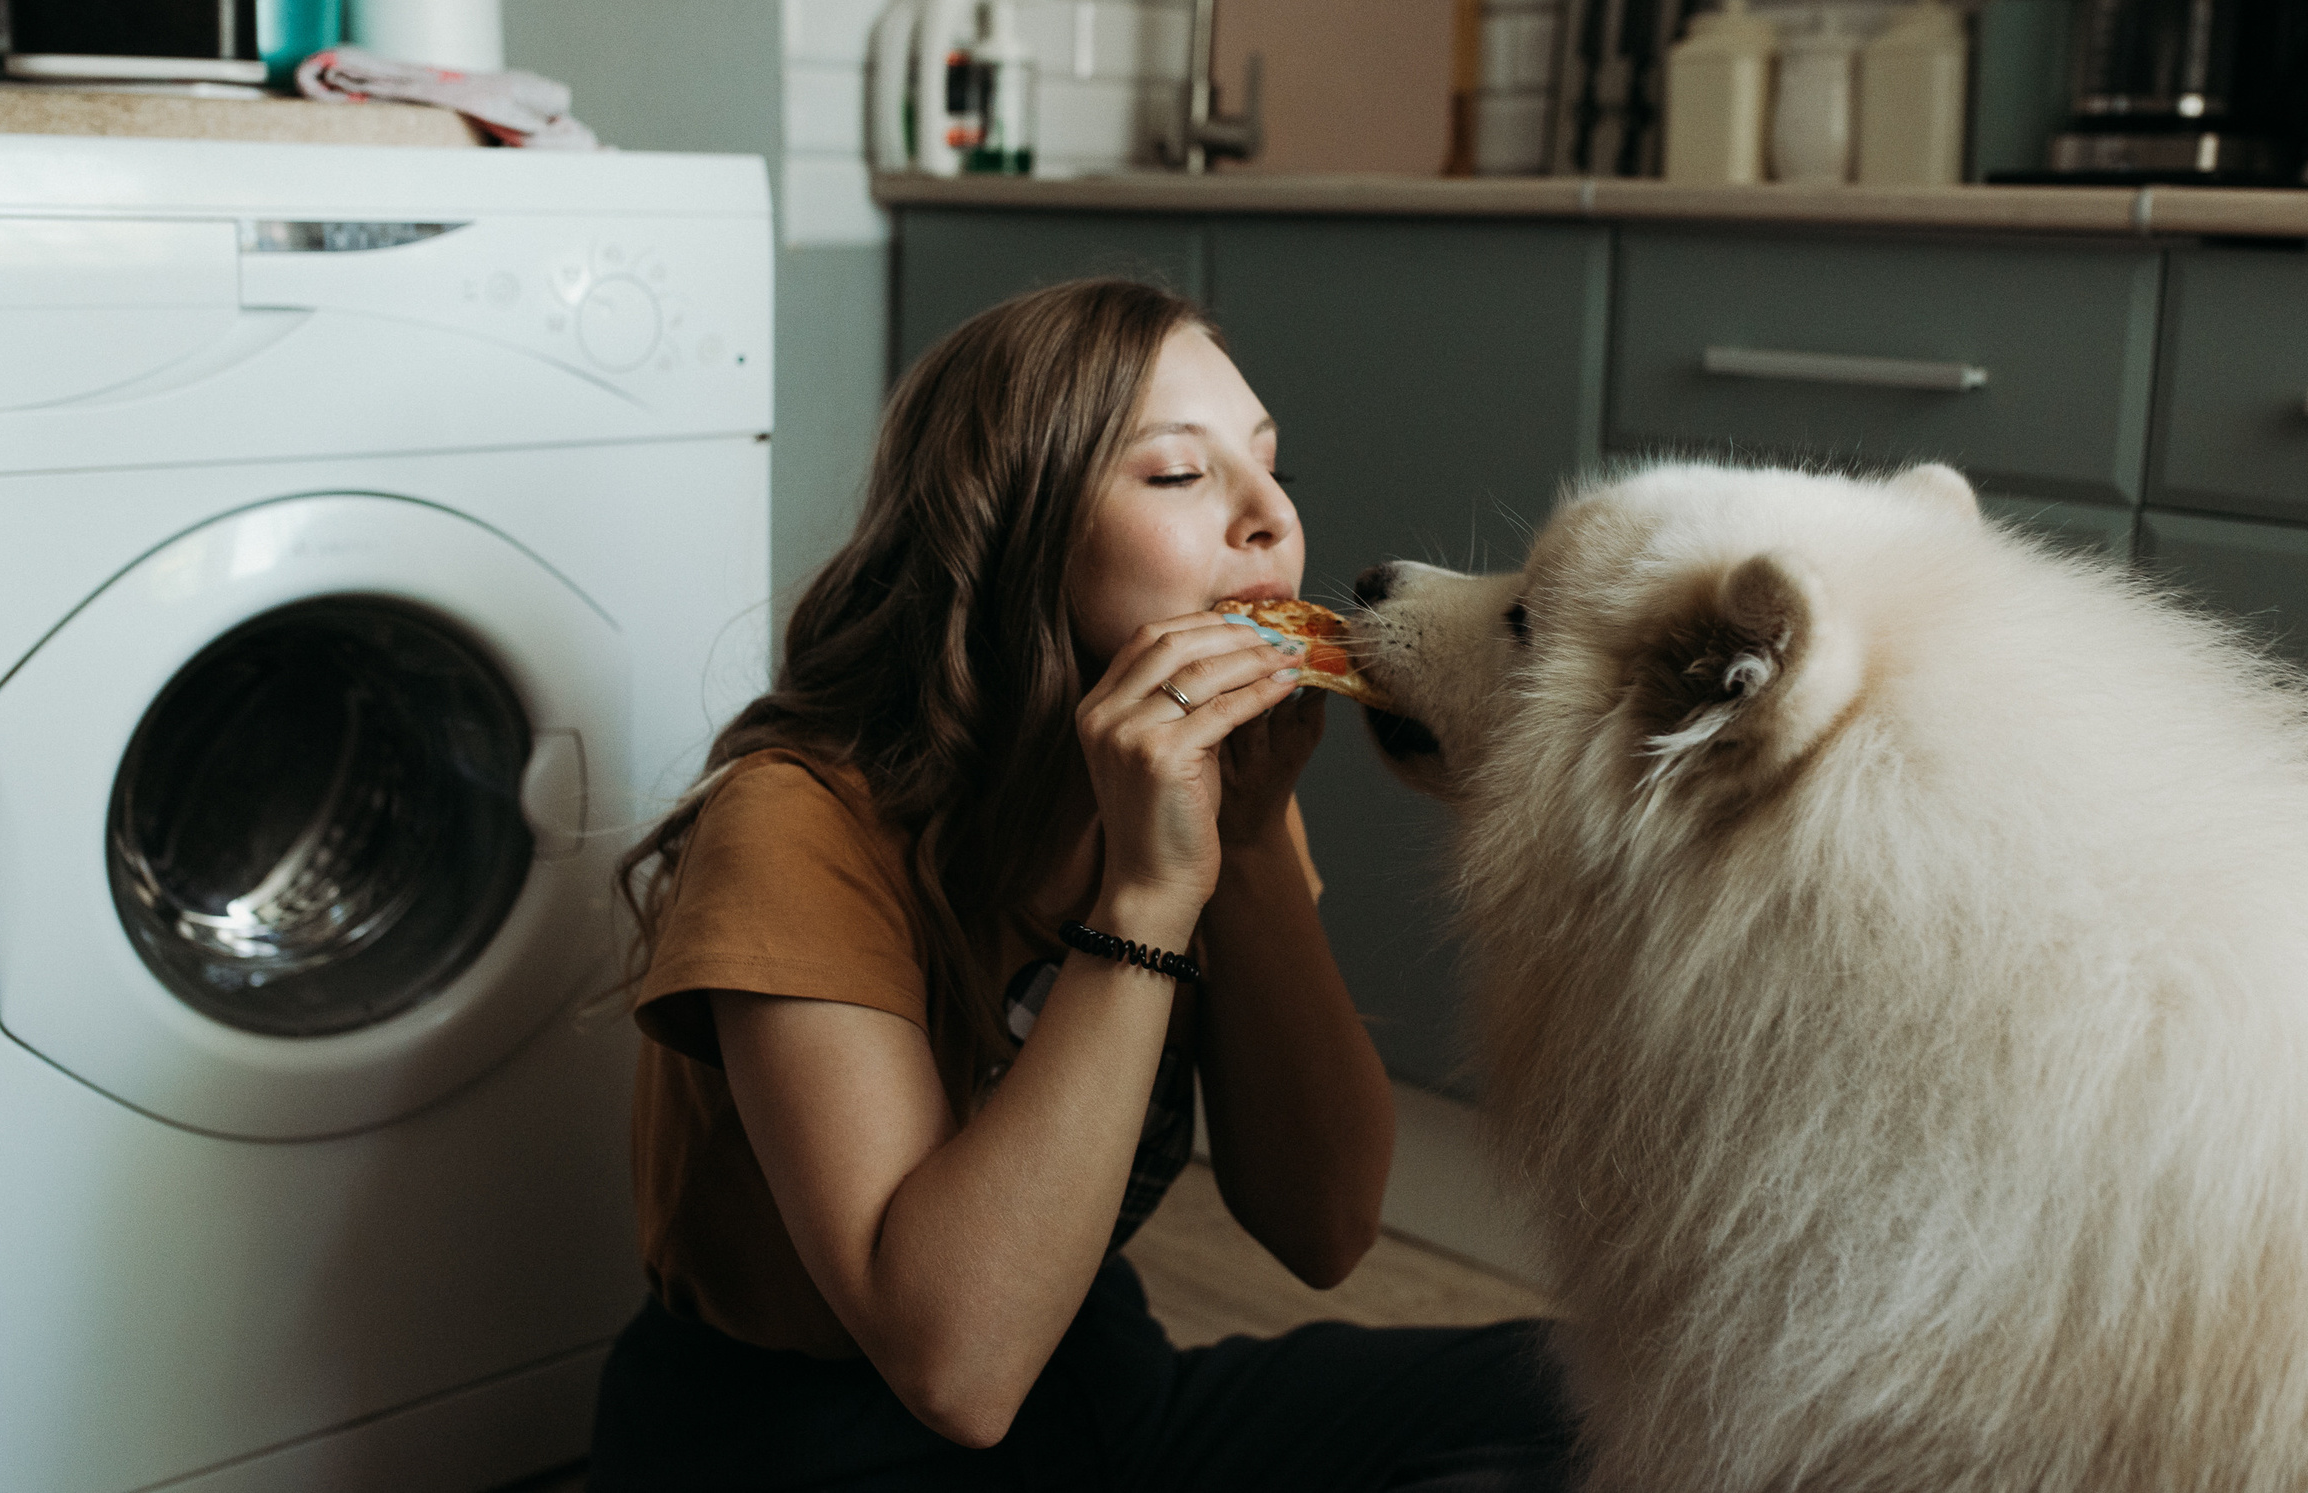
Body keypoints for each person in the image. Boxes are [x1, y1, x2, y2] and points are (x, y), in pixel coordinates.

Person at [589, 279, 1575, 1491]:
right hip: (801, 1445)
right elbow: (957, 1369)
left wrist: (1251, 840)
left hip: (1098, 1386)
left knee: (1585, 1394)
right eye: (1178, 474)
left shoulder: (1200, 784)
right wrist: (1149, 899)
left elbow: (1322, 1225)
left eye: (1275, 469)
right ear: (1008, 534)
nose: (1270, 519)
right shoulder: (797, 821)